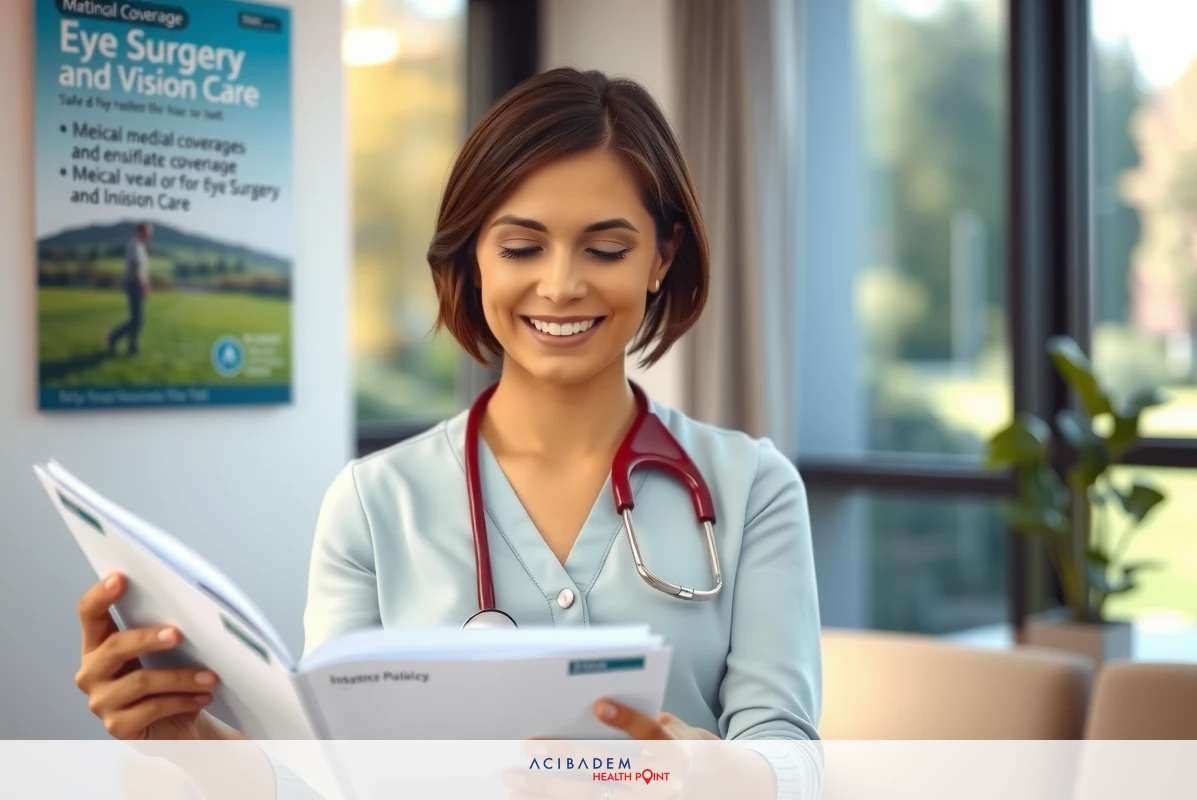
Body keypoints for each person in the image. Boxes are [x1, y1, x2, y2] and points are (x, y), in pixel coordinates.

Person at [73, 68, 823, 797]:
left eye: (606, 248)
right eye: (522, 246)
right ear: (472, 261)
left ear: (661, 257)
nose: (561, 284)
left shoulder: (751, 488)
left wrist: (716, 773)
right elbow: (333, 776)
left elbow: (790, 753)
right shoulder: (375, 503)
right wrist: (191, 743)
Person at [107, 221, 152, 355]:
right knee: (137, 319)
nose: (150, 235)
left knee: (137, 319)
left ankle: (133, 348)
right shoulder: (135, 245)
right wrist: (143, 286)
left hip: (136, 284)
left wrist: (145, 284)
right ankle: (114, 337)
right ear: (141, 231)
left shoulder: (140, 245)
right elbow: (135, 267)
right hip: (134, 284)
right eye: (148, 232)